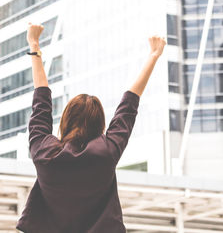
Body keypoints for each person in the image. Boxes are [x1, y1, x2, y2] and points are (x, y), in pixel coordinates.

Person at [16, 22, 166, 233]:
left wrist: (34, 44)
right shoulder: (106, 151)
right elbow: (129, 105)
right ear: (100, 124)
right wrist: (154, 55)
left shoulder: (44, 152)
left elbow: (41, 102)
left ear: (66, 120)